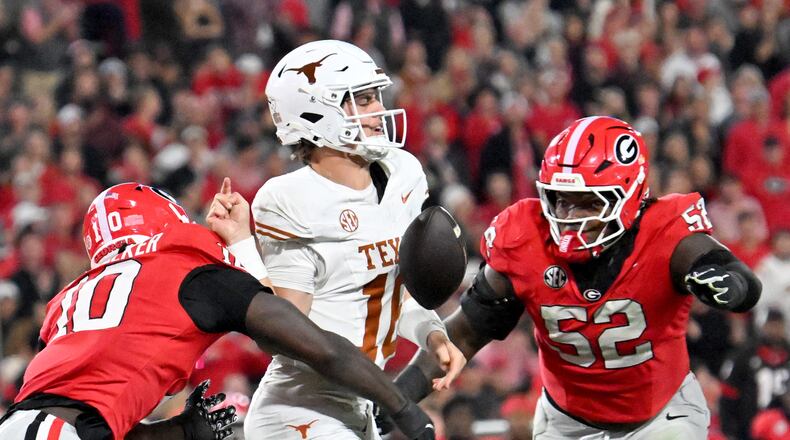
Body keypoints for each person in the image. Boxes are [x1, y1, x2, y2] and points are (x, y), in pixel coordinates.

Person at [391, 116, 762, 439]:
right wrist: (394, 397)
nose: (569, 215)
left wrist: (730, 284)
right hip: (566, 422)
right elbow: (465, 333)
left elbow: (737, 277)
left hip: (661, 415)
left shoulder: (667, 233)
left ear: (631, 196)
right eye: (560, 199)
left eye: (588, 202)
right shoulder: (525, 236)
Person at [0, 182, 436, 440]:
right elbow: (313, 344)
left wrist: (174, 432)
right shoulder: (183, 265)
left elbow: (84, 418)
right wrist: (403, 407)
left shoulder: (68, 300)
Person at [221, 39, 466, 439]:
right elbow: (285, 333)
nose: (378, 111)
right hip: (300, 407)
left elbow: (390, 290)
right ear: (315, 110)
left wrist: (434, 335)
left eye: (376, 97)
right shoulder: (289, 199)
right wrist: (243, 246)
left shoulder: (401, 173)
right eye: (363, 99)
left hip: (364, 402)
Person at [719, 308, 790, 440]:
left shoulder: (787, 355)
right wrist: (728, 428)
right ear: (762, 326)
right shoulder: (745, 355)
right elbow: (729, 393)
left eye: (778, 324)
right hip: (748, 427)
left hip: (783, 429)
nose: (775, 329)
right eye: (771, 325)